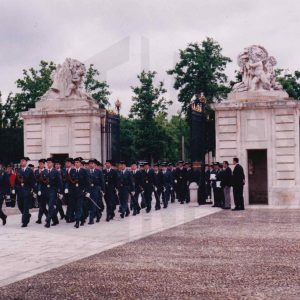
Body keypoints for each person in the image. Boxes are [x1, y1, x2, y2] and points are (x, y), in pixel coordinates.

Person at [14, 157, 35, 227]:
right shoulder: (18, 170)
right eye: (21, 161)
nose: (22, 162)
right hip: (19, 190)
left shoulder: (30, 171)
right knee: (20, 205)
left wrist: (34, 190)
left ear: (26, 162)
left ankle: (24, 222)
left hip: (27, 190)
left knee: (26, 207)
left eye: (23, 161)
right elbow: (16, 181)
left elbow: (33, 181)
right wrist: (14, 188)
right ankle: (27, 215)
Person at [69, 157, 90, 228]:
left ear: (80, 163)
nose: (76, 164)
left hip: (81, 192)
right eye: (75, 162)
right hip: (74, 192)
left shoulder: (84, 171)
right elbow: (70, 182)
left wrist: (87, 191)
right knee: (76, 207)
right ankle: (83, 219)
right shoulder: (72, 171)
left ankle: (77, 221)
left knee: (79, 206)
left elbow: (87, 182)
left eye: (77, 162)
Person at [43, 158, 63, 228]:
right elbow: (42, 182)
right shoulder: (44, 171)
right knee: (50, 206)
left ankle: (48, 221)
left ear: (52, 164)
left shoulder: (56, 172)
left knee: (51, 206)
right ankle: (55, 220)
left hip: (53, 190)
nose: (48, 164)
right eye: (47, 163)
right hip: (46, 191)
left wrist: (60, 192)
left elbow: (60, 182)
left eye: (49, 162)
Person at [87, 159, 105, 224]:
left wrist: (103, 190)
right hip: (88, 189)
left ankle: (91, 219)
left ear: (94, 164)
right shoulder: (87, 171)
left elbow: (102, 181)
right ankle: (98, 215)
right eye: (90, 163)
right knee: (92, 204)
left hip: (96, 189)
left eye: (92, 163)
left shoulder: (99, 171)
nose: (91, 165)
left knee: (93, 204)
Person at [34, 159, 48, 224]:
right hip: (38, 191)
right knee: (41, 205)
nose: (40, 165)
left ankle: (45, 217)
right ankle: (41, 218)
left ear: (44, 164)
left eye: (42, 164)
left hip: (44, 191)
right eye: (39, 164)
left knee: (42, 205)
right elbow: (35, 180)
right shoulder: (36, 171)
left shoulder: (46, 171)